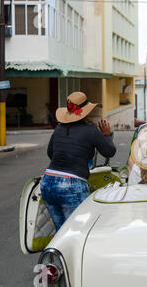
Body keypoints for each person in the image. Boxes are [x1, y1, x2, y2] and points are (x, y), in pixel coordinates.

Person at [41, 91, 116, 231]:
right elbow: (109, 152)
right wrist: (106, 135)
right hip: (72, 185)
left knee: (61, 233)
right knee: (80, 232)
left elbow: (50, 153)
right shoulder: (91, 131)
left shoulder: (58, 129)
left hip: (48, 182)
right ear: (86, 112)